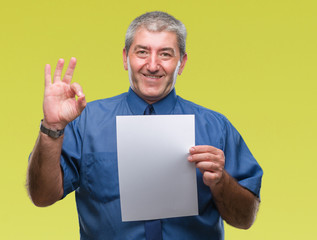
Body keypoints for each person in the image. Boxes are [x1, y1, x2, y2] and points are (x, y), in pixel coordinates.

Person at [27, 11, 263, 240]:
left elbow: (245, 219)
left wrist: (221, 181)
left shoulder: (216, 128)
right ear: (125, 58)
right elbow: (42, 196)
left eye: (165, 54)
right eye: (142, 52)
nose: (152, 65)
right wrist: (51, 127)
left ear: (181, 63)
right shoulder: (86, 122)